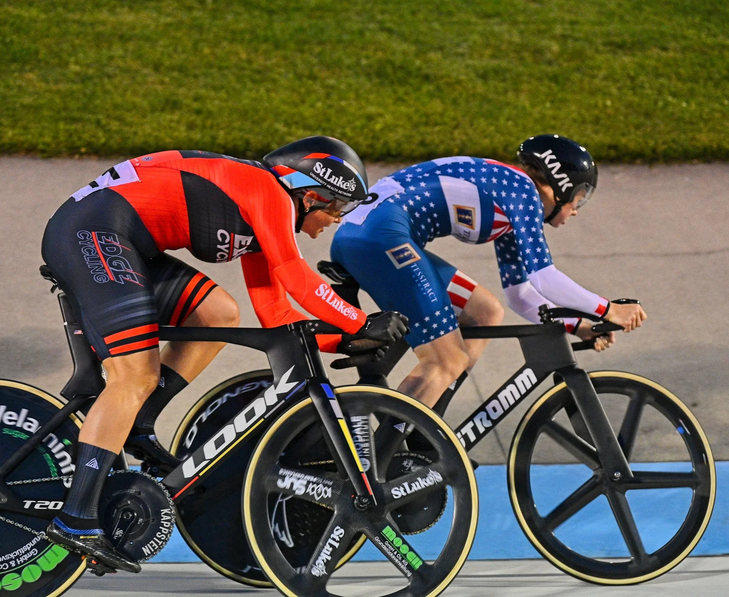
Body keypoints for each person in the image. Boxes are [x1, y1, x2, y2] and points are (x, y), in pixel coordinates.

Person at [40, 136, 406, 572]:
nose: (335, 220)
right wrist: (360, 321)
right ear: (311, 195)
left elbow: (276, 313)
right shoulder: (269, 193)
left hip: (121, 238)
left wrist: (341, 339)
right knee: (132, 376)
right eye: (337, 209)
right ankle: (75, 518)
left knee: (217, 314)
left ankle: (136, 421)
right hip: (93, 233)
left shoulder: (263, 213)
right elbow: (298, 278)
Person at [331, 134, 647, 410]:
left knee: (485, 311)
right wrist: (609, 309)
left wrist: (576, 324)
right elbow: (544, 278)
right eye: (578, 197)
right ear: (558, 187)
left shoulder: (510, 197)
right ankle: (386, 456)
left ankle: (426, 430)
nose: (576, 210)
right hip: (381, 239)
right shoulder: (524, 191)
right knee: (447, 360)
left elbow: (521, 294)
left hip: (368, 236)